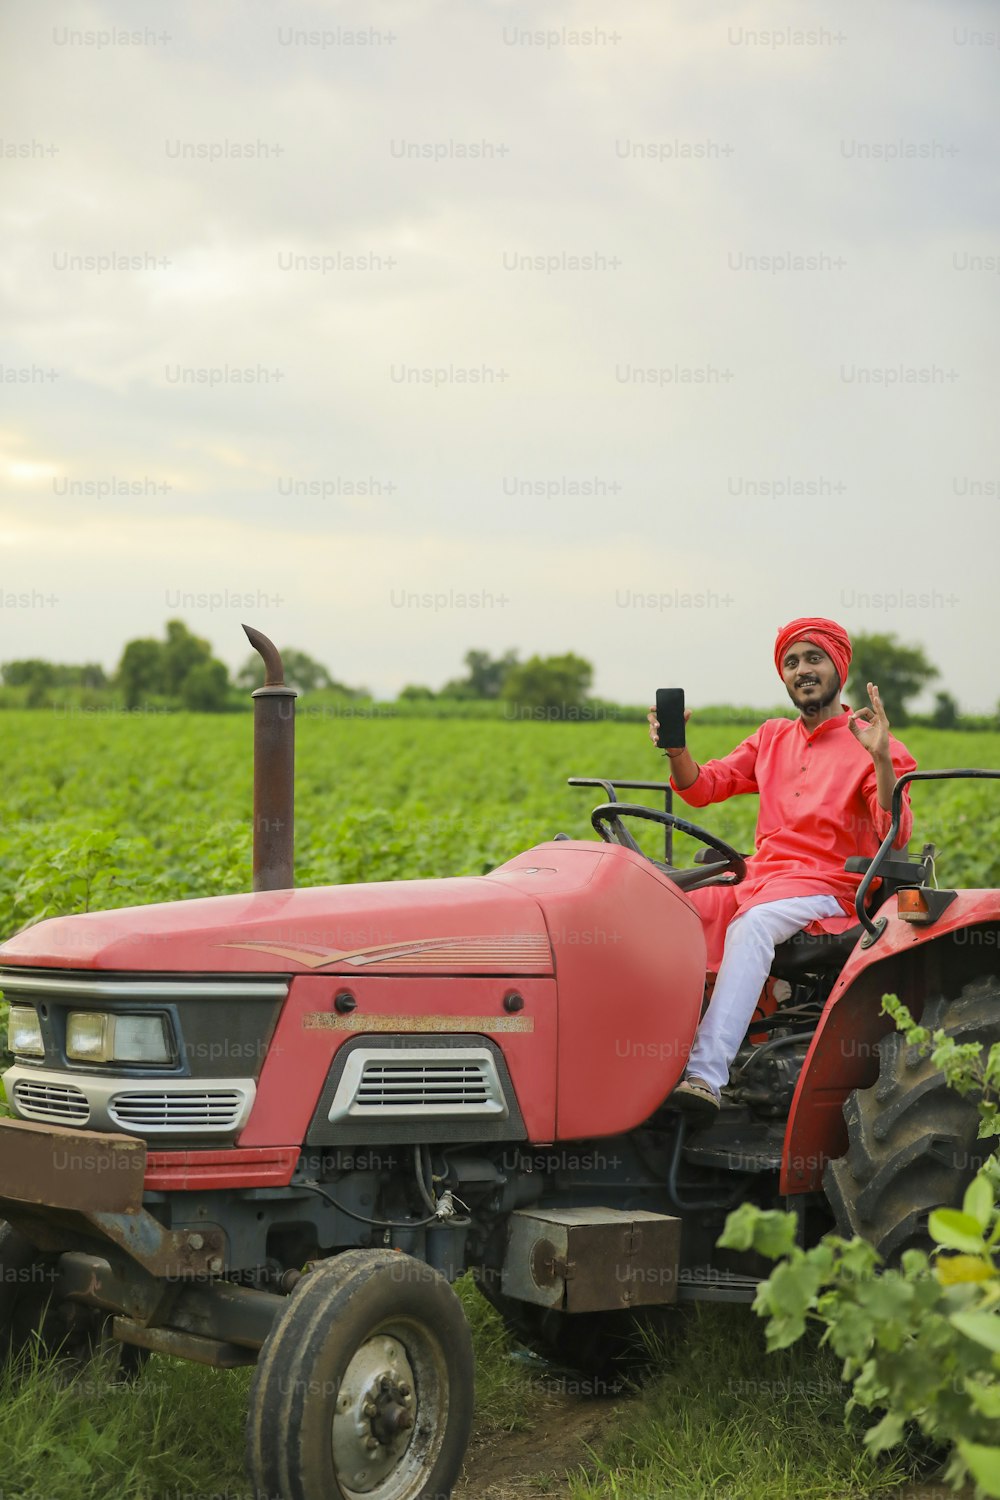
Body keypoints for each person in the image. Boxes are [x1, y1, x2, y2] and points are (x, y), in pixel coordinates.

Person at [647, 616, 917, 1118]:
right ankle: (648, 1062)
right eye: (791, 662)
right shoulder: (771, 737)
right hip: (763, 875)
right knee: (668, 906)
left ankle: (705, 1075)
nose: (802, 670)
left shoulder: (872, 745)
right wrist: (678, 750)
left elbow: (894, 832)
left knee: (754, 926)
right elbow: (704, 786)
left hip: (828, 884)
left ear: (838, 667)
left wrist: (881, 759)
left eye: (814, 658)